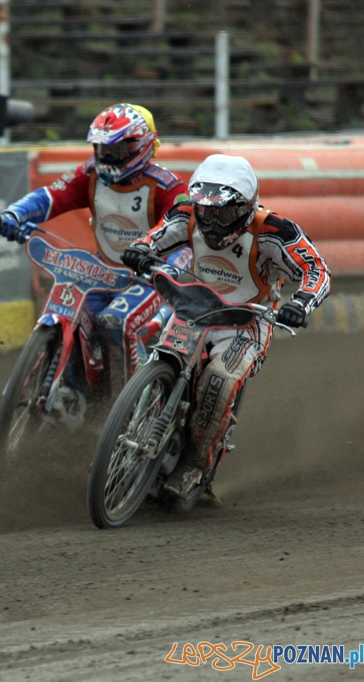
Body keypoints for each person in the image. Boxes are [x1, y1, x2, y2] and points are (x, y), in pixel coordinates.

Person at [121, 153, 330, 497]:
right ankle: (131, 429)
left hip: (249, 319)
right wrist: (139, 250)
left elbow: (316, 269)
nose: (214, 222)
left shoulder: (274, 230)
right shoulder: (186, 215)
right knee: (158, 357)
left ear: (247, 205)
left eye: (225, 212)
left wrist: (301, 303)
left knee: (218, 381)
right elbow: (153, 237)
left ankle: (194, 466)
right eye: (207, 210)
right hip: (194, 307)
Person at [0, 102, 191, 376]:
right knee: (71, 313)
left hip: (151, 278)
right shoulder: (89, 174)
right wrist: (14, 214)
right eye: (102, 149)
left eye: (117, 150)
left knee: (115, 322)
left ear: (141, 146)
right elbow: (52, 197)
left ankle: (130, 408)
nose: (108, 157)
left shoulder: (167, 185)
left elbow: (185, 230)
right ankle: (72, 387)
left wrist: (169, 268)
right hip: (102, 271)